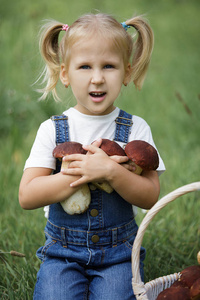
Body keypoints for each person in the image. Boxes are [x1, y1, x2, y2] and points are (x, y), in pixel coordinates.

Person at [19, 12, 165, 300]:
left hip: (119, 255)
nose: (97, 78)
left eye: (109, 66)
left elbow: (150, 196)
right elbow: (27, 196)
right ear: (64, 73)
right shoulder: (52, 130)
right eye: (84, 66)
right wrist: (79, 172)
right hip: (62, 254)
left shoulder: (136, 129)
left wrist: (112, 172)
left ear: (126, 72)